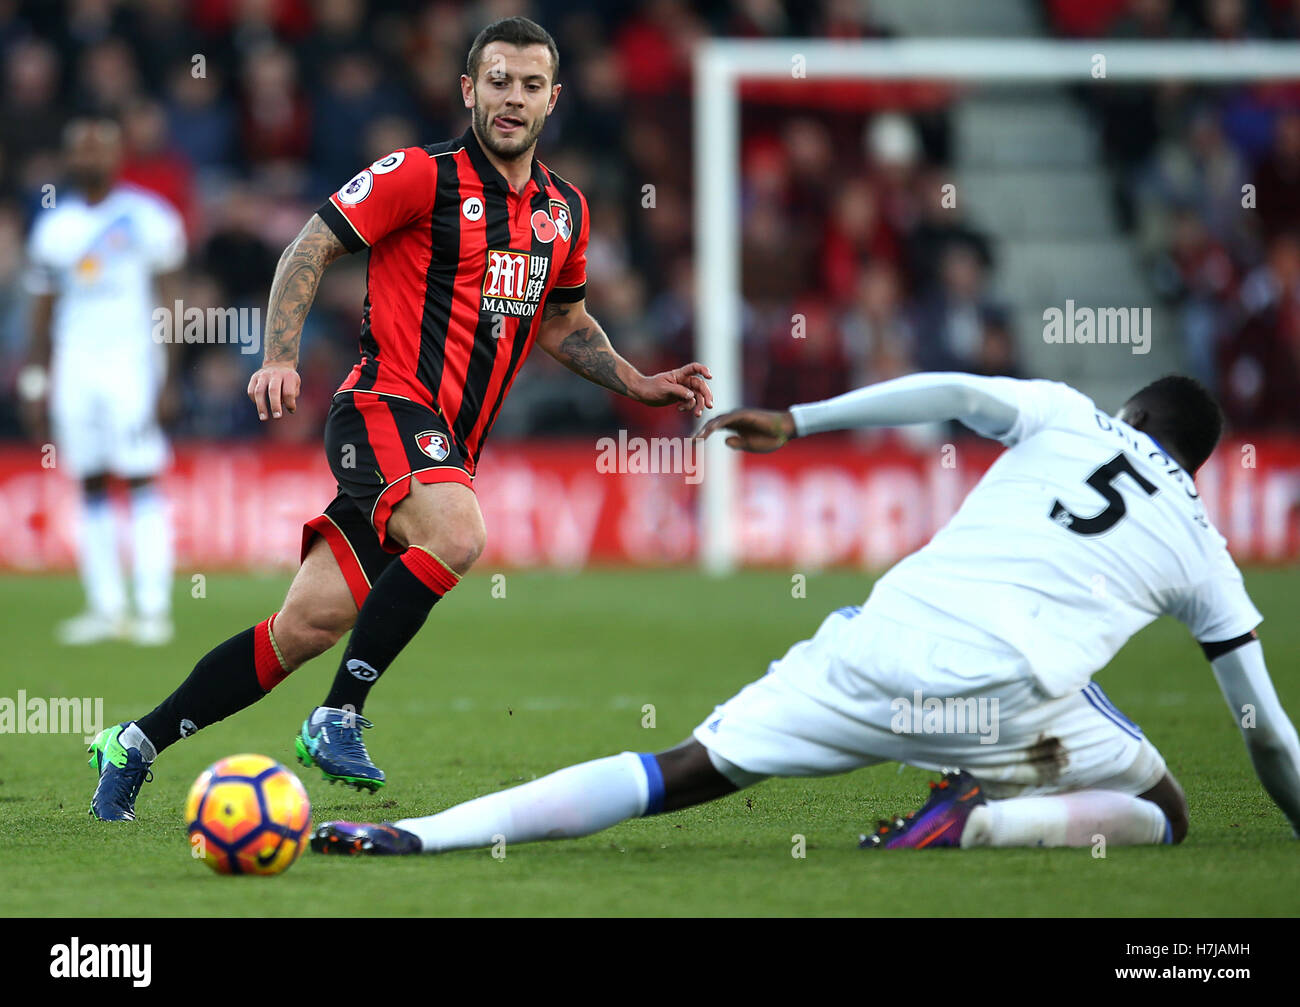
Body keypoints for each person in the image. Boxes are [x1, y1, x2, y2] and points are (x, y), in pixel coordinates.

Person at [87, 16, 712, 821]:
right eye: (497, 81)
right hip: (383, 409)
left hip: (444, 448)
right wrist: (277, 356)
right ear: (468, 89)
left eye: (529, 85)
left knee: (299, 629)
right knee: (457, 533)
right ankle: (338, 714)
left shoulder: (565, 211)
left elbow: (563, 320)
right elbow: (309, 246)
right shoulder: (420, 175)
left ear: (553, 99)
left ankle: (131, 744)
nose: (512, 98)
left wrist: (637, 380)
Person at [310, 371, 1300, 855]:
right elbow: (1265, 737)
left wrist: (801, 419)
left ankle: (418, 834)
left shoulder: (1066, 411)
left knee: (676, 769)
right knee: (1165, 811)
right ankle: (980, 824)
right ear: (1199, 464)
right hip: (1011, 696)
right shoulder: (1203, 547)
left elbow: (950, 388)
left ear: (1128, 412)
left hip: (882, 640)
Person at [21, 116, 184, 647]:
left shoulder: (147, 217)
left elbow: (171, 299)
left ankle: (153, 608)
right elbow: (41, 310)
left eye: (100, 147)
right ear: (69, 157)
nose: (89, 157)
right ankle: (105, 606)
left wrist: (169, 373)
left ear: (118, 155)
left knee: (139, 475)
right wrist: (36, 377)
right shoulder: (54, 226)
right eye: (81, 148)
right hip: (75, 366)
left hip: (131, 364)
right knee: (89, 478)